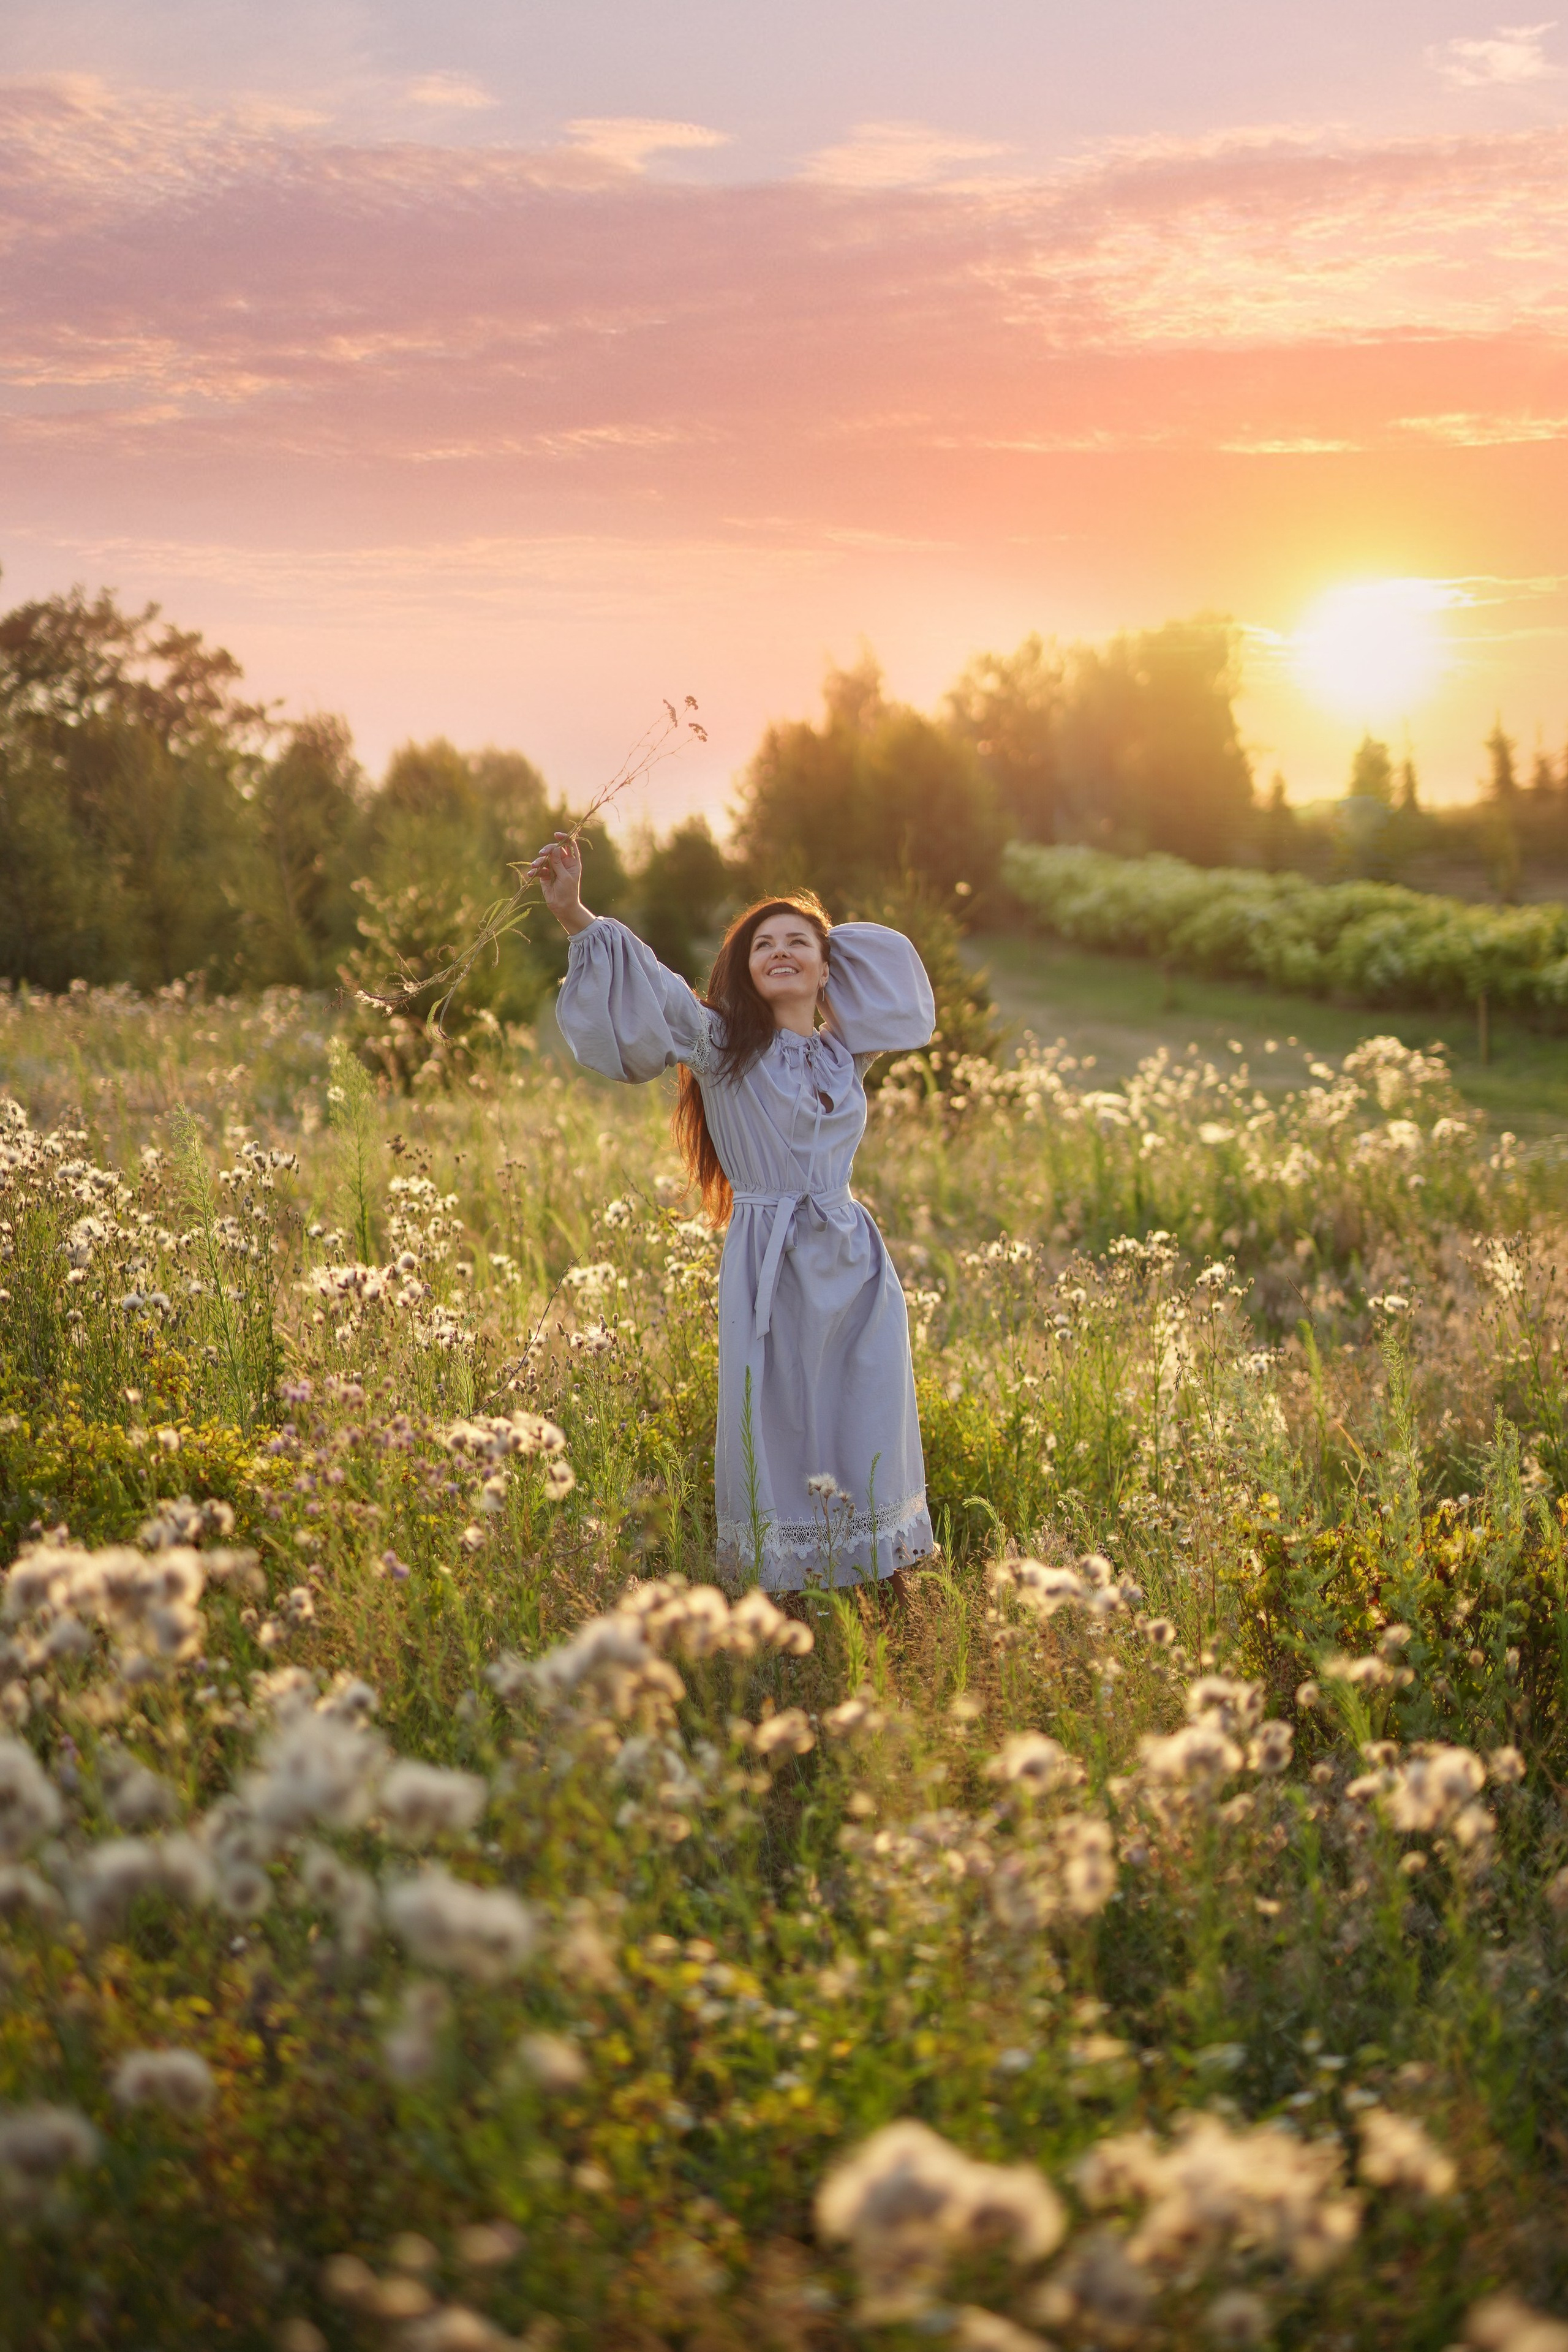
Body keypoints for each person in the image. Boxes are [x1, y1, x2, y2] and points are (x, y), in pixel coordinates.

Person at [530, 832, 937, 1593]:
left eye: (798, 945)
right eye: (762, 945)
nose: (779, 952)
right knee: (779, 1417)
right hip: (769, 1259)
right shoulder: (720, 1045)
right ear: (744, 968)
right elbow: (658, 993)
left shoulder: (845, 1055)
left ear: (827, 968)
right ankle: (786, 1587)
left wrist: (829, 943)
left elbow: (899, 997)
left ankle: (877, 1576)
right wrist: (575, 914)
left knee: (865, 1408)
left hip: (854, 1258)